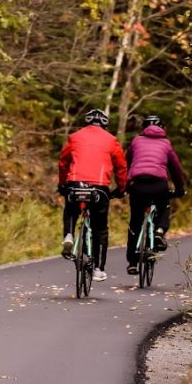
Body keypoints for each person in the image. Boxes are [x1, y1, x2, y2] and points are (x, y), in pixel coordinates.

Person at [57, 108, 127, 283]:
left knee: (71, 210)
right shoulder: (111, 140)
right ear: (104, 123)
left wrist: (62, 184)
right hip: (100, 187)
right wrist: (121, 188)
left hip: (75, 183)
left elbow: (63, 161)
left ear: (86, 122)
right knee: (100, 229)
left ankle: (68, 235)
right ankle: (98, 269)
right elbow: (121, 167)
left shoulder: (75, 137)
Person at [124, 115, 185, 276]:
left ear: (144, 128)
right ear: (162, 128)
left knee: (135, 223)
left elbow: (126, 163)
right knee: (164, 206)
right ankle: (159, 231)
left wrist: (124, 186)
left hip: (138, 185)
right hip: (158, 184)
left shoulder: (136, 141)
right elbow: (176, 168)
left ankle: (132, 262)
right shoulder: (166, 143)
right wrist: (180, 188)